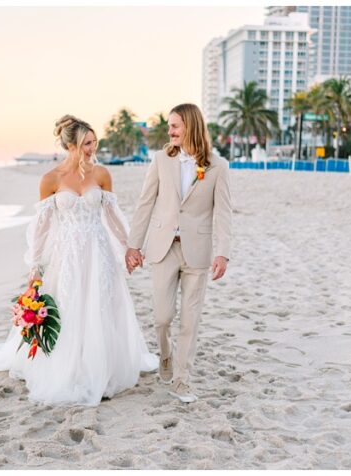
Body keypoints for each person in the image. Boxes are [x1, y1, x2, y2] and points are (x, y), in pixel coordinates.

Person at [0, 115, 158, 406]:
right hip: (67, 255)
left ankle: (103, 369)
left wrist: (130, 247)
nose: (92, 148)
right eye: (86, 143)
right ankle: (72, 369)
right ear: (71, 144)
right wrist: (35, 266)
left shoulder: (101, 174)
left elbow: (112, 216)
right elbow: (42, 226)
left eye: (93, 142)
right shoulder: (50, 179)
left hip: (97, 252)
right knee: (69, 306)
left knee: (100, 305)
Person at [126, 103, 233, 403]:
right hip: (163, 248)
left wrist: (222, 253)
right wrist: (134, 244)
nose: (169, 131)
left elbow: (223, 213)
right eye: (170, 126)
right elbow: (145, 203)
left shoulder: (218, 166)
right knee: (162, 317)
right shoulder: (161, 160)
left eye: (175, 126)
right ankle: (165, 355)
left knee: (190, 320)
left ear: (191, 127)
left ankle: (182, 380)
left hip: (198, 252)